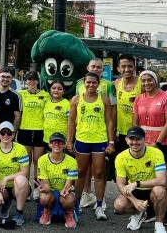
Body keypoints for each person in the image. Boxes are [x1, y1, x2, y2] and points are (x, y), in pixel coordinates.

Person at [67, 71, 114, 221]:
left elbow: (109, 122)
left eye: (94, 82)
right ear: (84, 83)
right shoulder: (76, 99)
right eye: (88, 82)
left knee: (99, 173)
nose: (91, 85)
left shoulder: (104, 99)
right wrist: (69, 141)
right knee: (80, 172)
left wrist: (111, 142)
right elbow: (71, 122)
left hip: (99, 140)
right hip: (82, 140)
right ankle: (77, 204)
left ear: (98, 83)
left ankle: (99, 206)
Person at [133, 70, 167, 225]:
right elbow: (136, 123)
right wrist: (137, 142)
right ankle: (152, 210)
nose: (146, 83)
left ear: (156, 80)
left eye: (149, 80)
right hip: (144, 145)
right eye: (143, 81)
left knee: (164, 179)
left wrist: (157, 143)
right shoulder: (139, 99)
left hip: (162, 145)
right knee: (149, 178)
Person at [76, 58, 117, 209]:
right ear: (88, 67)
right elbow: (76, 111)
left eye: (98, 67)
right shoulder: (79, 84)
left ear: (102, 70)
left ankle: (101, 200)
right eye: (93, 66)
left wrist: (112, 136)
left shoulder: (109, 85)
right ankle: (86, 194)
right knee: (83, 170)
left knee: (99, 170)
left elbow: (112, 111)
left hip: (101, 134)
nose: (95, 69)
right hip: (83, 135)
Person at [114, 126, 167, 233]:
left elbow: (162, 180)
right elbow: (120, 184)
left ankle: (159, 224)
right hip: (135, 192)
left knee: (160, 191)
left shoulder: (156, 153)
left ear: (144, 139)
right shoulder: (120, 157)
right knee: (119, 206)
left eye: (138, 139)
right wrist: (134, 201)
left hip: (152, 189)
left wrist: (137, 183)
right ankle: (138, 213)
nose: (134, 142)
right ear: (126, 140)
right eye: (131, 139)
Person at [0, 122, 29, 226]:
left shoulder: (21, 149)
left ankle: (19, 213)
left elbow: (25, 172)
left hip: (18, 186)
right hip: (2, 187)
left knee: (20, 180)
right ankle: (6, 203)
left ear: (13, 135)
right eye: (3, 133)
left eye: (9, 133)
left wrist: (7, 178)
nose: (6, 136)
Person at [16, 71, 49, 199]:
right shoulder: (21, 94)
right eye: (29, 79)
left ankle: (37, 187)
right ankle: (26, 188)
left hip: (40, 131)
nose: (32, 82)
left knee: (38, 161)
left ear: (37, 81)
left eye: (34, 79)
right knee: (26, 162)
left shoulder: (45, 95)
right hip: (25, 130)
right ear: (26, 81)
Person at [37, 132, 78, 229]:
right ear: (49, 144)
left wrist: (65, 189)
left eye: (60, 142)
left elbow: (69, 182)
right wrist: (45, 188)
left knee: (70, 199)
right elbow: (46, 183)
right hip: (51, 191)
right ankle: (46, 211)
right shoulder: (42, 160)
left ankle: (68, 213)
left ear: (64, 145)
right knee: (43, 197)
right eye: (53, 142)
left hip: (64, 191)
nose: (56, 144)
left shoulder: (72, 161)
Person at [114, 54, 142, 154]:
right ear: (118, 68)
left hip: (139, 130)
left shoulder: (142, 83)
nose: (127, 69)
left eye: (130, 66)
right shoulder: (116, 83)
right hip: (121, 132)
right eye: (123, 66)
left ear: (134, 67)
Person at [42, 81, 70, 145]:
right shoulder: (47, 102)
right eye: (53, 88)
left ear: (63, 91)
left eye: (59, 89)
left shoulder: (67, 104)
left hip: (61, 140)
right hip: (47, 138)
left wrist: (68, 140)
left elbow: (70, 123)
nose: (56, 90)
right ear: (50, 89)